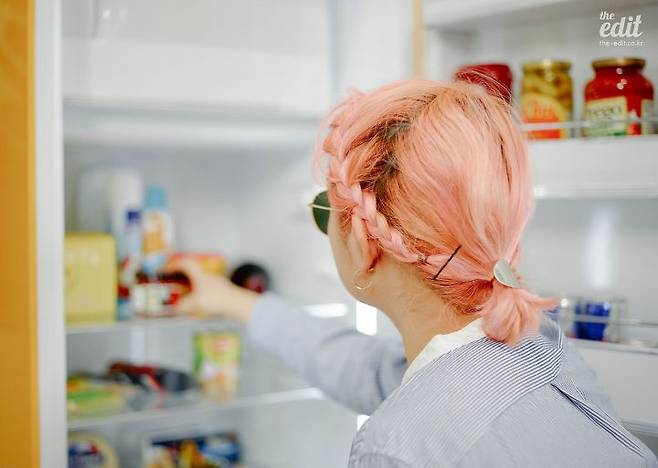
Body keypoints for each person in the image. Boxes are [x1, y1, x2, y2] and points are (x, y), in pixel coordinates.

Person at [170, 80, 657, 467]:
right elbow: (372, 372)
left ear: (365, 248)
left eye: (325, 212)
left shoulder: (397, 449)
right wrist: (233, 301)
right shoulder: (540, 347)